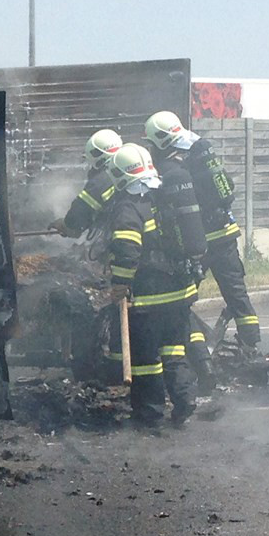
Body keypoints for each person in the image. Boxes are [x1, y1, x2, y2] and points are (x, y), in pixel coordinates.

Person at [103, 143, 204, 430]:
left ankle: (150, 414)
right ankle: (185, 400)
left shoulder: (129, 206)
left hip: (149, 299)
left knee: (145, 359)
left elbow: (127, 251)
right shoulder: (164, 196)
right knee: (174, 350)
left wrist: (120, 283)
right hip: (180, 293)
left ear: (120, 175)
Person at [144, 110, 260, 357]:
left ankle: (194, 352)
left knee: (182, 296)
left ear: (161, 141)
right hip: (225, 233)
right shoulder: (199, 149)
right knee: (236, 292)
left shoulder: (173, 165)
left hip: (199, 240)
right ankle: (252, 346)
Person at [50, 130, 123, 382]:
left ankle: (104, 369)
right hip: (136, 250)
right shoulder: (126, 171)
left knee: (109, 307)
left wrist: (65, 225)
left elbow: (77, 218)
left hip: (122, 250)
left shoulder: (101, 180)